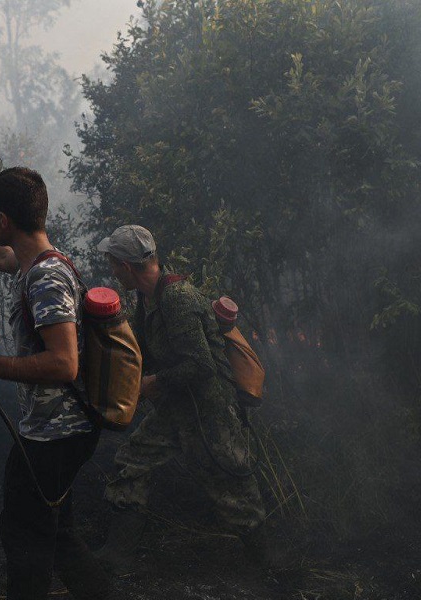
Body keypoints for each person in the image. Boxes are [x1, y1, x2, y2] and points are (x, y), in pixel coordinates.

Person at [0, 167, 111, 600]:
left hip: (56, 436)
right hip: (59, 432)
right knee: (59, 536)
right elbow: (4, 258)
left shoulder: (46, 278)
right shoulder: (40, 260)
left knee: (26, 539)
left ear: (4, 221)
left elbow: (64, 364)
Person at [94, 224, 272, 568]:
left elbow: (200, 366)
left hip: (208, 412)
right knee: (132, 460)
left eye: (114, 264)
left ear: (127, 266)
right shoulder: (147, 297)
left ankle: (269, 564)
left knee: (231, 490)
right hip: (177, 406)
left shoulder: (177, 298)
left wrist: (151, 383)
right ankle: (118, 554)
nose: (113, 271)